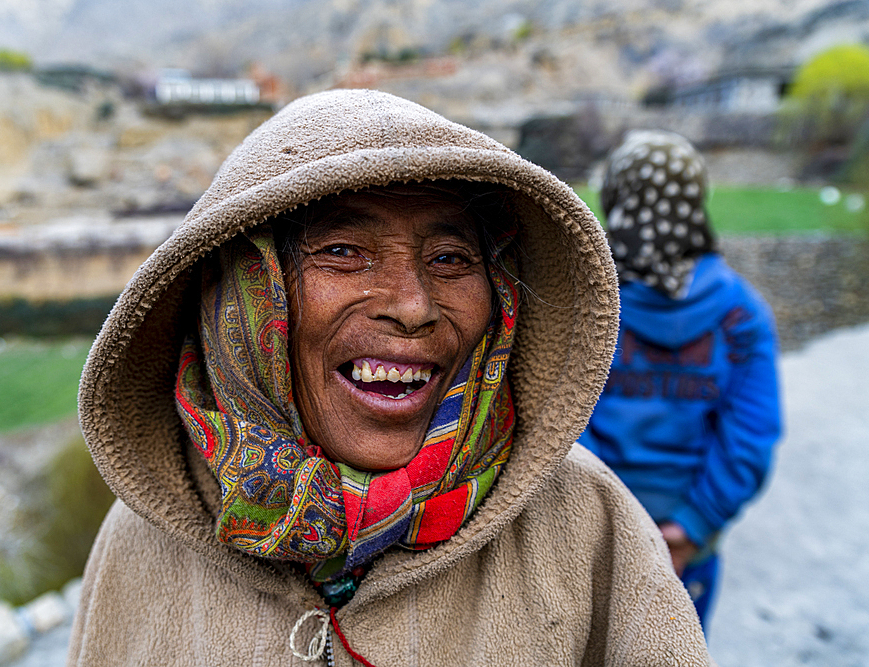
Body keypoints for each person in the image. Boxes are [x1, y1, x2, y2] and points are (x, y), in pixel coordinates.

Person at [68, 91, 711, 665]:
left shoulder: (585, 525)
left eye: (451, 258)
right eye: (343, 252)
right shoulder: (145, 541)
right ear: (247, 295)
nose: (412, 306)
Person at [579, 130, 782, 632]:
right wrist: (692, 528)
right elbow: (750, 436)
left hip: (590, 532)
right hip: (687, 540)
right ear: (695, 202)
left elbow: (563, 417)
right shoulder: (743, 312)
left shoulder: (589, 303)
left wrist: (608, 527)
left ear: (615, 199)